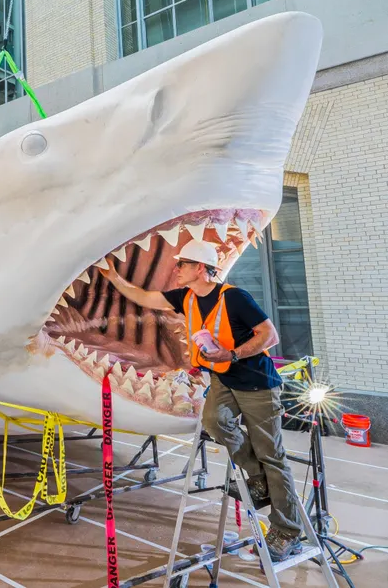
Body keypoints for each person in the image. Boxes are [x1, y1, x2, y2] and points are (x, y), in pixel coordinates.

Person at [99, 238, 303, 561]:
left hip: (257, 384)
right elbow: (146, 298)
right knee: (213, 420)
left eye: (182, 264)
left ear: (200, 269)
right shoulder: (187, 297)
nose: (176, 268)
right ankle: (258, 476)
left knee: (272, 454)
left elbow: (270, 335)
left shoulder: (235, 298)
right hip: (224, 380)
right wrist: (114, 279)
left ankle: (288, 531)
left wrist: (232, 353)